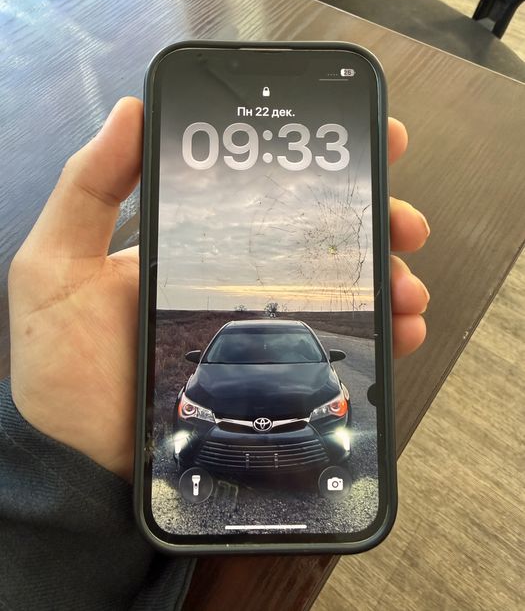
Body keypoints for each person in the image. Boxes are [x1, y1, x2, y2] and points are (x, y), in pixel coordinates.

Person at [1, 98, 430, 609]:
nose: (263, 427)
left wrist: (47, 463)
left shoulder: (322, 375)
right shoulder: (201, 376)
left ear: (332, 356)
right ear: (196, 358)